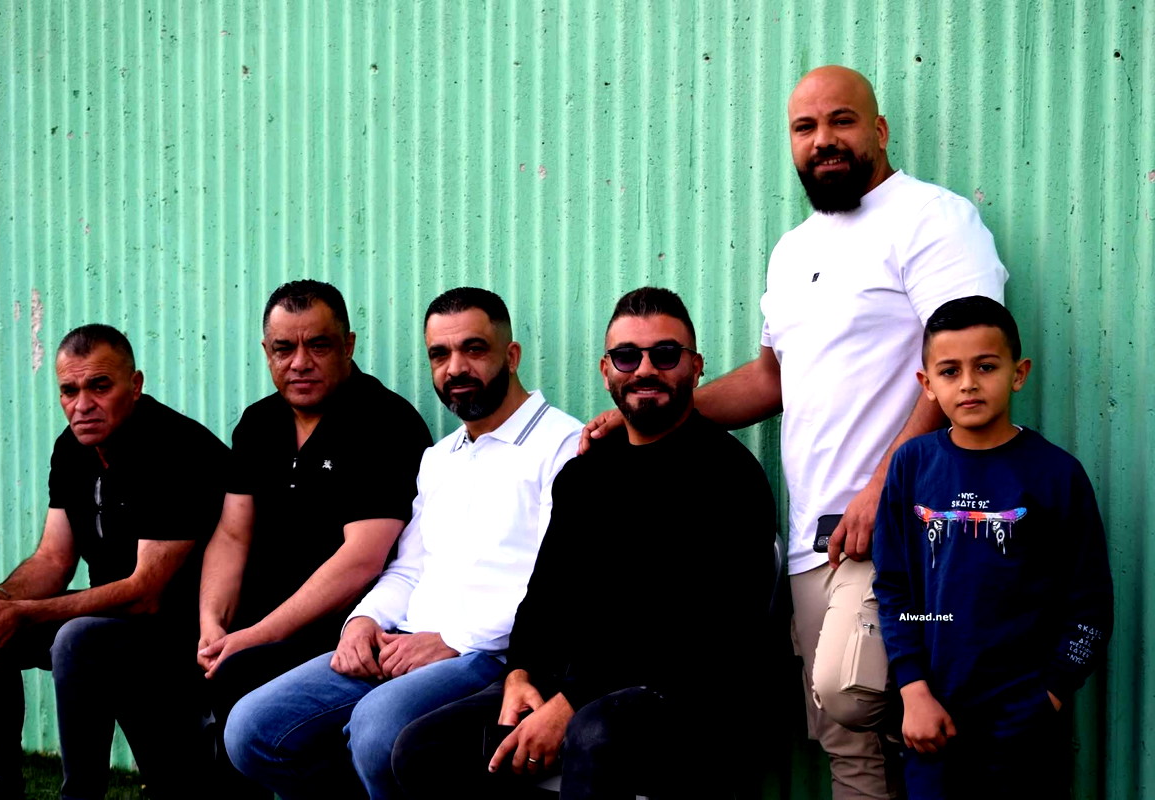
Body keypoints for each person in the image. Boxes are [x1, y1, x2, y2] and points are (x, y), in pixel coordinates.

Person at [582, 65, 1008, 797]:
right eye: (804, 127)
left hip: (901, 524)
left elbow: (962, 364)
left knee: (857, 691)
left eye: (841, 120)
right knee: (847, 742)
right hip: (816, 537)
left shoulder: (933, 219)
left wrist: (883, 487)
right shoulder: (793, 250)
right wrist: (648, 408)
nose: (823, 140)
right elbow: (769, 380)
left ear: (879, 130)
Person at [392, 287, 777, 799]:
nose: (645, 370)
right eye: (627, 356)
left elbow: (690, 627)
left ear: (695, 366)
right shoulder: (584, 475)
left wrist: (570, 704)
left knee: (594, 736)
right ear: (605, 370)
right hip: (576, 686)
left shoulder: (728, 477)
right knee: (423, 747)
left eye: (665, 354)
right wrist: (521, 675)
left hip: (682, 694)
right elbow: (544, 596)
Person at [223, 287, 582, 800]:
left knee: (377, 729)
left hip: (490, 653)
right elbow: (410, 567)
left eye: (474, 349)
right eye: (440, 354)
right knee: (252, 730)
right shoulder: (441, 457)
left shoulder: (563, 446)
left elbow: (560, 583)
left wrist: (453, 638)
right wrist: (363, 620)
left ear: (511, 355)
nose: (455, 368)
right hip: (402, 642)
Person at [0, 324, 228, 800]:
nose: (82, 405)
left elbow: (146, 593)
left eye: (99, 386)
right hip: (113, 621)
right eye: (69, 390)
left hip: (185, 633)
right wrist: (0, 600)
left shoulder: (175, 448)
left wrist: (24, 613)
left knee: (77, 638)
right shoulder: (72, 448)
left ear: (135, 385)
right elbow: (53, 558)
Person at [196, 280, 432, 792]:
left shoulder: (385, 423)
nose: (299, 362)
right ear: (267, 352)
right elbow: (232, 535)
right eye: (284, 348)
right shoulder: (259, 423)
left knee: (238, 673)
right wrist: (212, 623)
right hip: (258, 624)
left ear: (348, 345)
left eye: (318, 345)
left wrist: (254, 636)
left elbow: (362, 559)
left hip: (345, 632)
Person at [872, 296, 1113, 798]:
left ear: (1018, 373)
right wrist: (914, 690)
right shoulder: (912, 465)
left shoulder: (1056, 475)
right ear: (927, 385)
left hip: (1025, 731)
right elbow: (894, 589)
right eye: (950, 371)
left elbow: (1089, 603)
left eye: (985, 366)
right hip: (933, 721)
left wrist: (1049, 695)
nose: (968, 383)